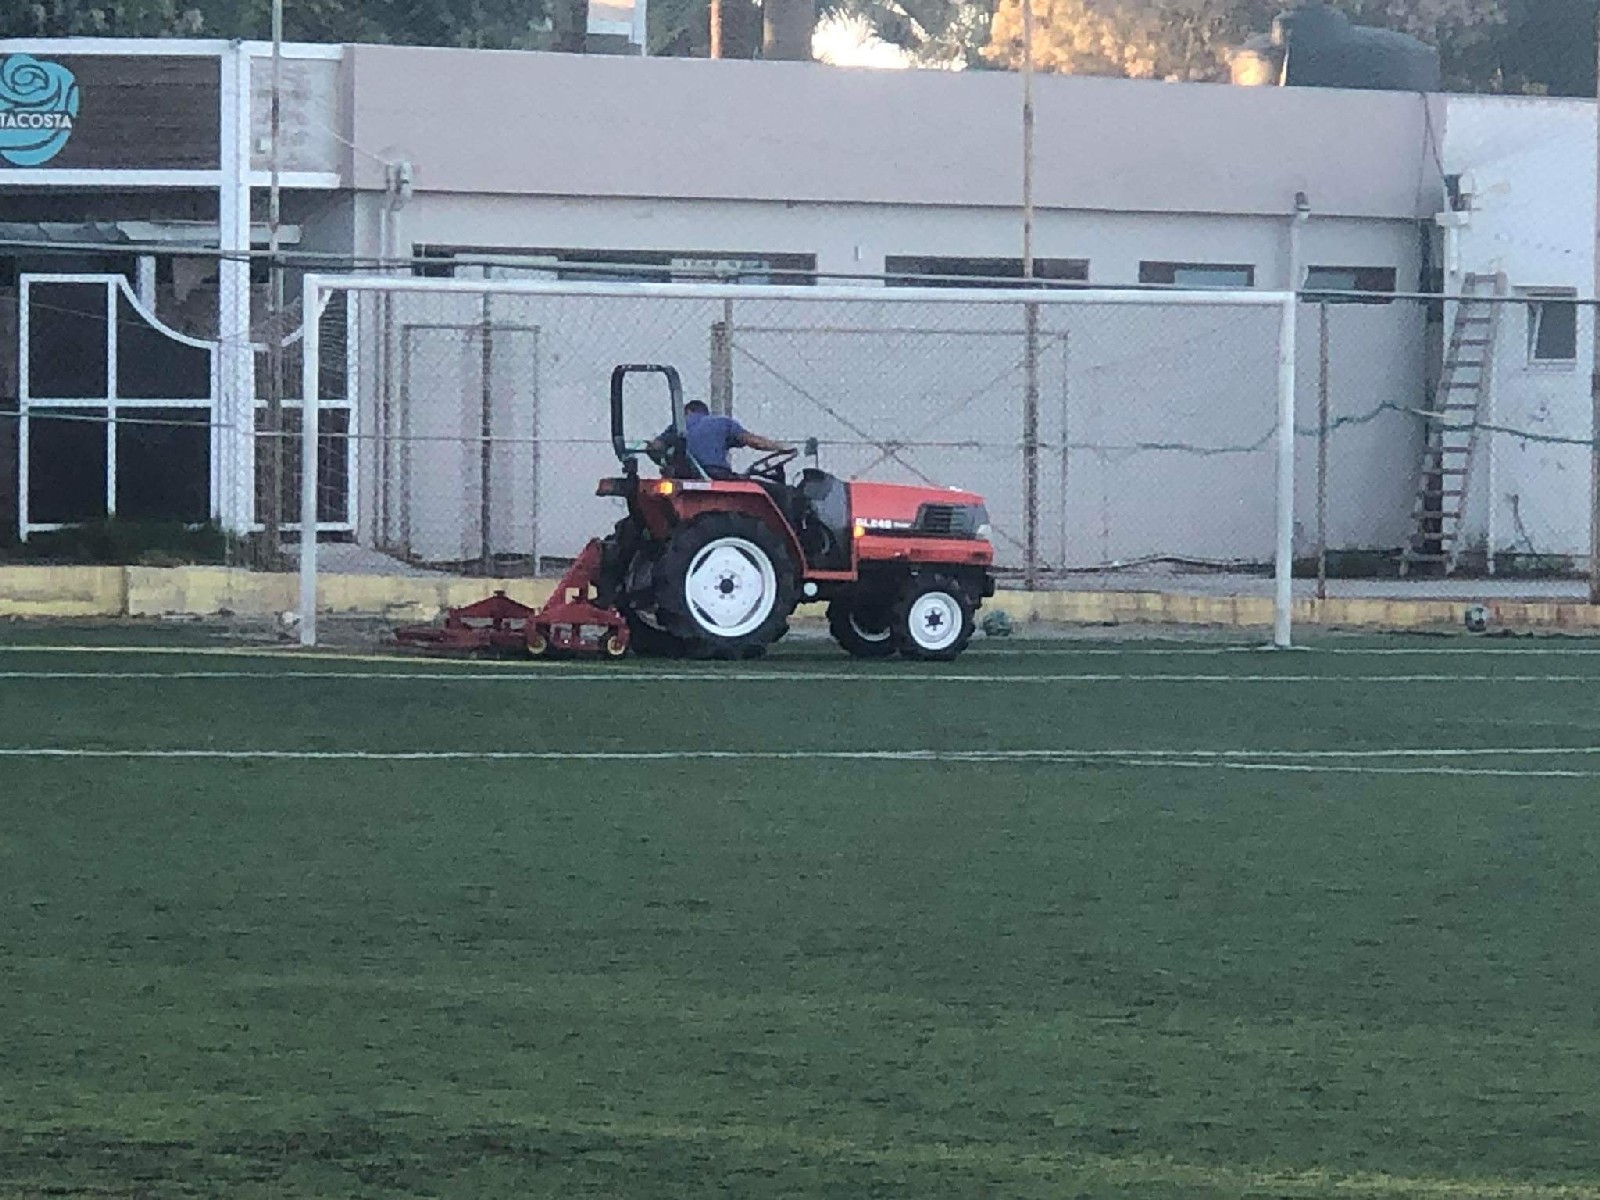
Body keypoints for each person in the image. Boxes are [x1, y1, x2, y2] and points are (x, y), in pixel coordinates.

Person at [650, 400, 791, 480]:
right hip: (715, 474)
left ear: (687, 412)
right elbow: (753, 442)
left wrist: (665, 462)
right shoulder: (722, 422)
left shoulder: (679, 424)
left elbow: (655, 447)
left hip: (684, 476)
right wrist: (779, 446)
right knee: (774, 492)